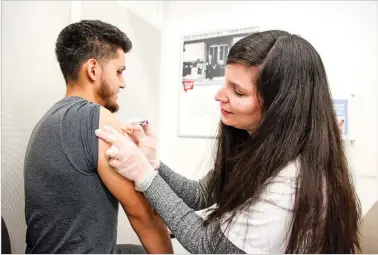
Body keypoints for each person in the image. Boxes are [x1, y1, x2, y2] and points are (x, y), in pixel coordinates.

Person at [95, 30, 361, 253]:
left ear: (280, 107)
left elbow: (208, 246)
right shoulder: (255, 147)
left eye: (238, 91)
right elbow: (201, 194)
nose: (219, 96)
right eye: (226, 83)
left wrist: (143, 175)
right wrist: (153, 165)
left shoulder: (289, 182)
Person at [24, 20, 173, 254]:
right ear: (93, 70)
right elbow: (143, 217)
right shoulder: (96, 119)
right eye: (119, 71)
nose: (123, 83)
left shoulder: (47, 120)